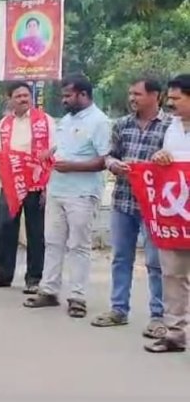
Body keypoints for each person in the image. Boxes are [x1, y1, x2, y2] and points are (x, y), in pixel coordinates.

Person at [24, 73, 110, 318]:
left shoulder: (99, 121)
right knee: (52, 242)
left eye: (68, 95)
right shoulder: (66, 120)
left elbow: (105, 159)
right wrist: (50, 151)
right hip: (57, 190)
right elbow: (65, 147)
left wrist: (73, 166)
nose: (64, 100)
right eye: (63, 95)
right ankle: (48, 290)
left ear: (83, 94)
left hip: (82, 194)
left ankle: (77, 297)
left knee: (78, 246)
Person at [90, 79, 170, 337]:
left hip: (157, 205)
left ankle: (159, 316)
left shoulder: (171, 126)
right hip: (124, 200)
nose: (132, 98)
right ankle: (118, 309)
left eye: (137, 93)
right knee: (121, 257)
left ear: (155, 95)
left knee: (157, 262)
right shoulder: (122, 124)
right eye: (130, 93)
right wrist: (114, 164)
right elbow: (110, 155)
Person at [0, 82, 55, 293]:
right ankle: (3, 274)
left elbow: (54, 149)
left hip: (36, 182)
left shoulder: (45, 120)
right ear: (10, 99)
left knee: (35, 231)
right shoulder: (5, 122)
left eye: (26, 95)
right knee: (6, 228)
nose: (23, 99)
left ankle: (34, 278)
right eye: (18, 96)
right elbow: (1, 150)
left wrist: (47, 184)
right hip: (11, 182)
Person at [146, 73, 190, 354]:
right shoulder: (170, 127)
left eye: (176, 98)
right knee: (173, 274)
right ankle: (175, 334)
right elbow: (161, 158)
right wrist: (159, 157)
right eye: (169, 98)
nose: (170, 104)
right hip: (175, 214)